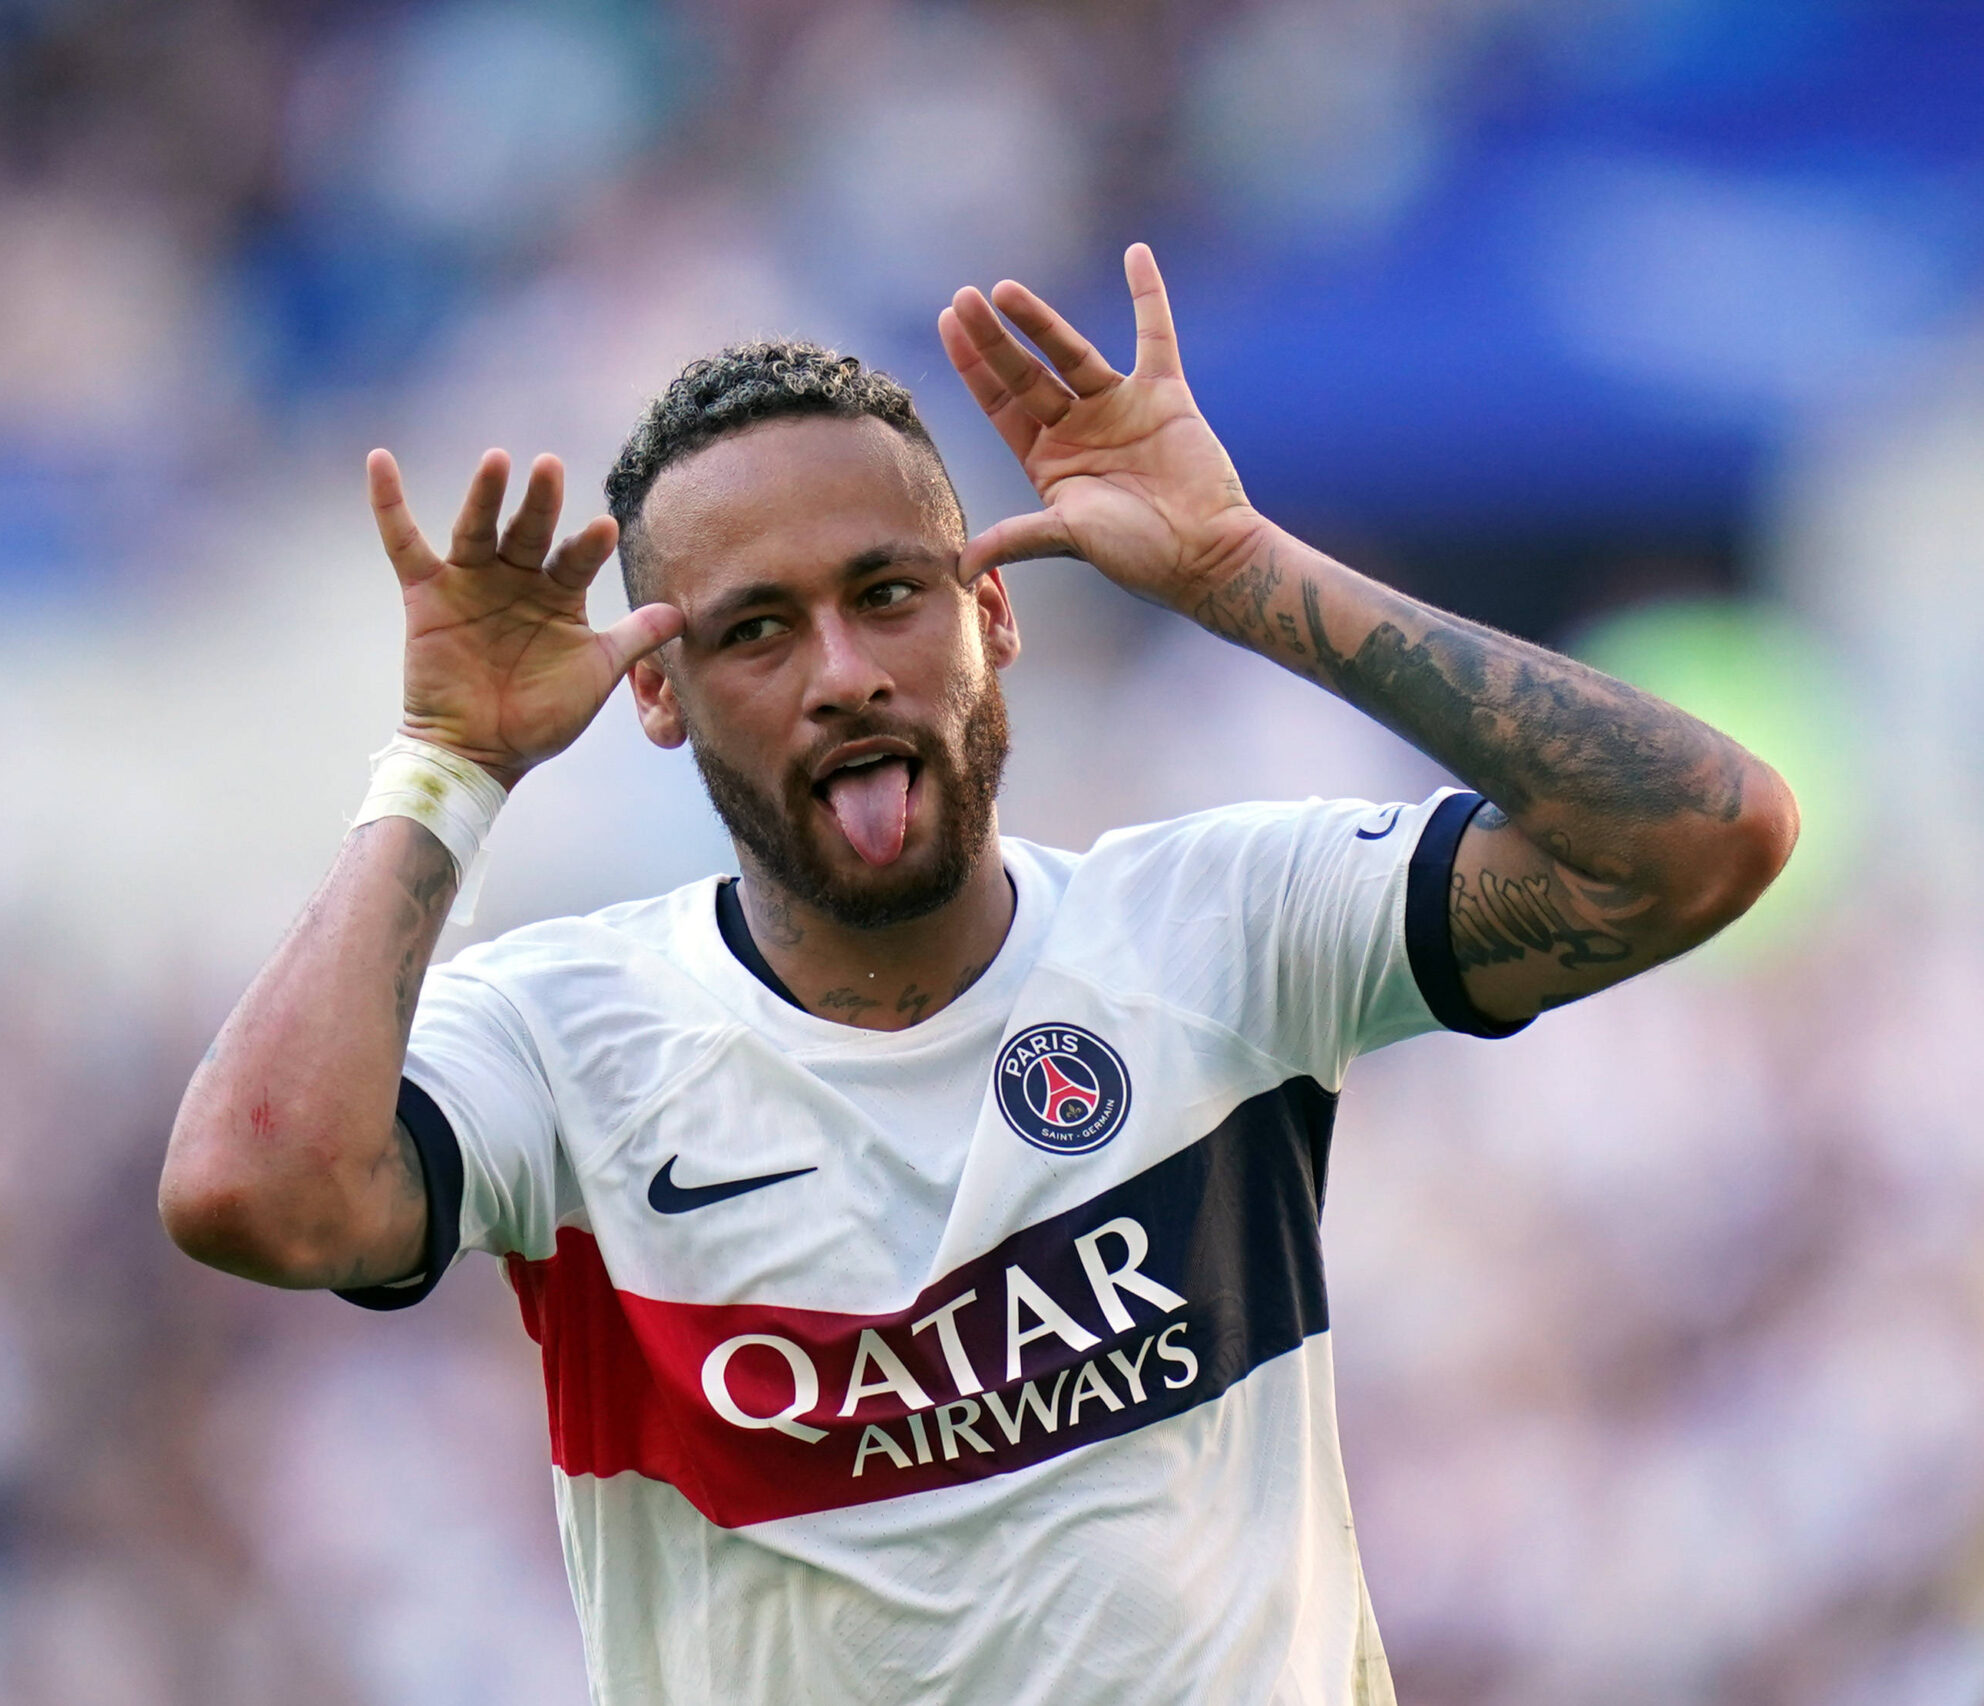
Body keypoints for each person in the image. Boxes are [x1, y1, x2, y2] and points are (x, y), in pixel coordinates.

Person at [158, 244, 1796, 1705]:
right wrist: (447, 768)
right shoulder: (565, 1035)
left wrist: (1242, 572)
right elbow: (255, 1191)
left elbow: (1700, 838)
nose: (847, 676)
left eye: (889, 594)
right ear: (658, 698)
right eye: (755, 632)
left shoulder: (1217, 930)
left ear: (990, 610)